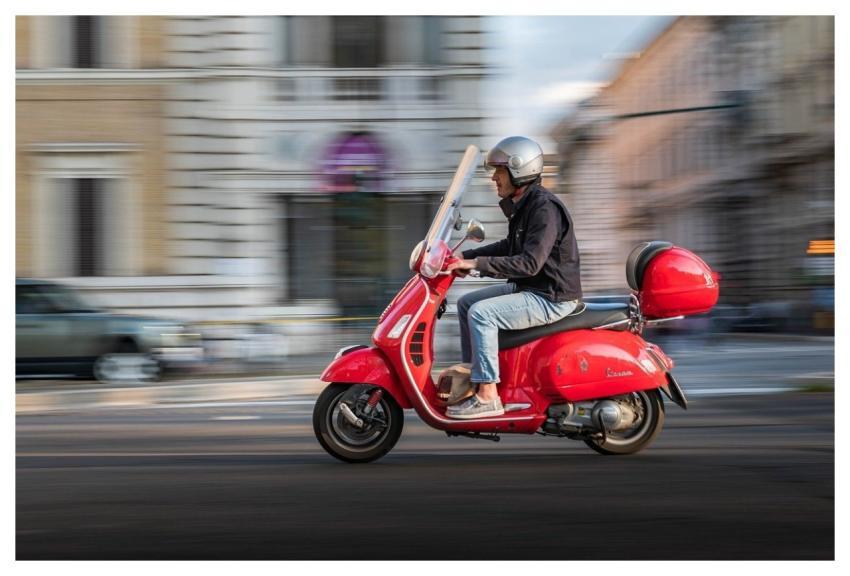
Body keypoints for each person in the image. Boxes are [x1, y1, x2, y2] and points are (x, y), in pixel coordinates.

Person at [444, 136, 583, 419]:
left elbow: (529, 263)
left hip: (551, 296)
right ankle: (475, 378)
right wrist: (463, 258)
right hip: (533, 289)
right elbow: (510, 247)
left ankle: (488, 395)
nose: (494, 177)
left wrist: (476, 263)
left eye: (499, 170)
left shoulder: (544, 208)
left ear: (519, 170)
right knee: (467, 304)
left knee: (482, 314)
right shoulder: (523, 205)